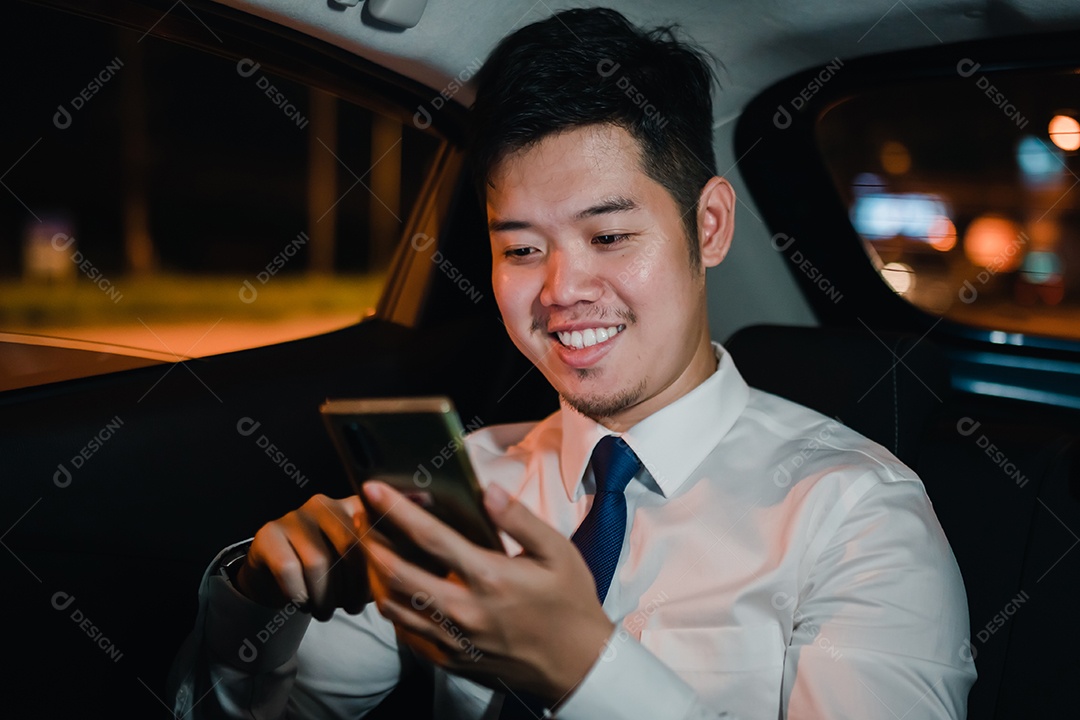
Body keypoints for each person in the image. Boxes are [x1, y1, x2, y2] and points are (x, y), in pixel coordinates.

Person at [169, 7, 976, 719]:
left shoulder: (856, 518)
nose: (561, 290)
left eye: (610, 237)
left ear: (712, 227)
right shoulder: (466, 482)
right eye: (521, 248)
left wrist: (586, 672)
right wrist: (258, 607)